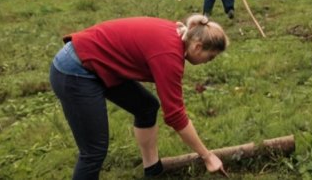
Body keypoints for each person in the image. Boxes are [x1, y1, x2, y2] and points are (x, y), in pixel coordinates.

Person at [49, 15, 228, 179]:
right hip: (75, 70)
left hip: (98, 64)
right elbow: (175, 115)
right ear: (197, 47)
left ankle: (153, 170)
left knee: (146, 106)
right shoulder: (169, 55)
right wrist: (207, 156)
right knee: (93, 152)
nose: (207, 62)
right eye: (210, 57)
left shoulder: (178, 35)